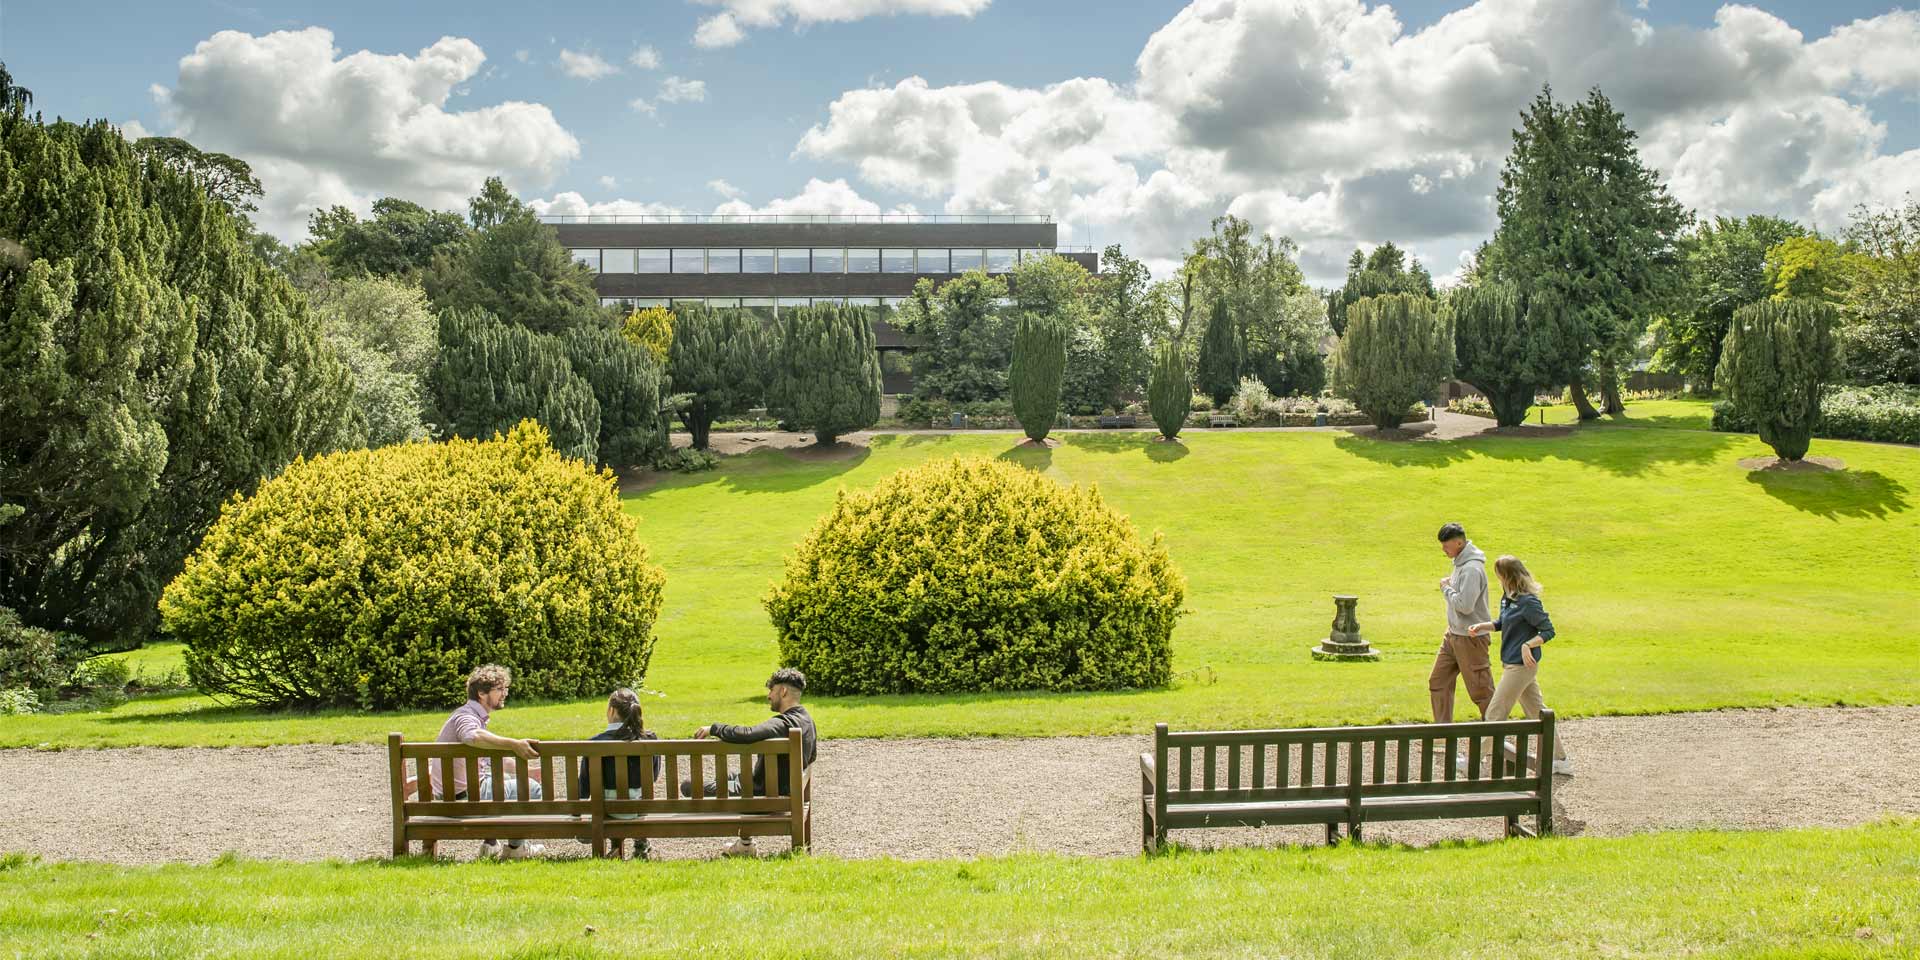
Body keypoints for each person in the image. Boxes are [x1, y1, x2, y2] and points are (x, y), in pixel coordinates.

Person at [688, 667, 818, 856]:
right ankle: (745, 844)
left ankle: (744, 843)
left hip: (761, 795)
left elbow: (748, 734)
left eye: (771, 690)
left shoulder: (783, 723)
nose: (768, 696)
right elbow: (811, 757)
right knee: (730, 776)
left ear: (783, 691)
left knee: (689, 787)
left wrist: (714, 728)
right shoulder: (807, 721)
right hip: (786, 790)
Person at [1469, 556, 1574, 776]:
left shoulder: (1529, 602)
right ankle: (1560, 759)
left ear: (1508, 576)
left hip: (1521, 666)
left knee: (1496, 711)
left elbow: (1548, 631)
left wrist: (1529, 644)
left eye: (1499, 575)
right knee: (1538, 712)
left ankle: (1474, 760)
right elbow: (1502, 623)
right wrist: (1483, 626)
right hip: (1511, 663)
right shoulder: (1508, 598)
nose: (1497, 579)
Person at [433, 663, 545, 859]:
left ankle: (490, 845)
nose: (505, 693)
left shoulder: (466, 715)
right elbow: (472, 736)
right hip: (463, 801)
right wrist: (513, 744)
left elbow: (489, 760)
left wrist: (525, 770)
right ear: (482, 694)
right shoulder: (466, 718)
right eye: (500, 689)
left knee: (501, 779)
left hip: (448, 797)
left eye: (506, 688)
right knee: (532, 788)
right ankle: (515, 849)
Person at [575, 687, 662, 858]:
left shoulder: (594, 743)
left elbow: (584, 788)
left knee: (607, 796)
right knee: (637, 793)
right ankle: (641, 843)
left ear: (611, 710)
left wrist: (576, 813)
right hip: (639, 808)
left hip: (606, 808)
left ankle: (615, 847)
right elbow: (653, 777)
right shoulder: (649, 739)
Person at [1429, 522, 1494, 724]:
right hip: (1453, 635)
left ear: (1459, 543)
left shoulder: (1472, 569)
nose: (1443, 550)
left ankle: (1495, 734)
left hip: (1471, 638)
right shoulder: (1460, 563)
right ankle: (1443, 735)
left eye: (1446, 545)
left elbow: (1465, 606)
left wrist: (1446, 588)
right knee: (1438, 681)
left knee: (1481, 691)